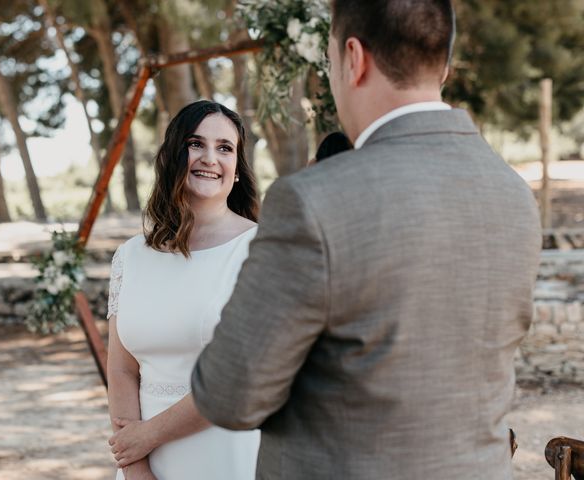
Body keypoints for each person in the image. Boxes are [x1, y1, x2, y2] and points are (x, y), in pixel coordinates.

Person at [190, 1, 542, 479]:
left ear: (353, 58)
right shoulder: (513, 193)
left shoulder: (313, 201)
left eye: (331, 63)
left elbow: (229, 393)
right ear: (442, 64)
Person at [106, 100, 260, 480]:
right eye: (195, 143)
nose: (210, 157)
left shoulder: (263, 250)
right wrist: (136, 469)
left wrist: (148, 435)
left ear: (237, 169)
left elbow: (243, 378)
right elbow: (123, 370)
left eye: (225, 148)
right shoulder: (130, 256)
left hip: (229, 454)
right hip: (145, 462)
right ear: (173, 155)